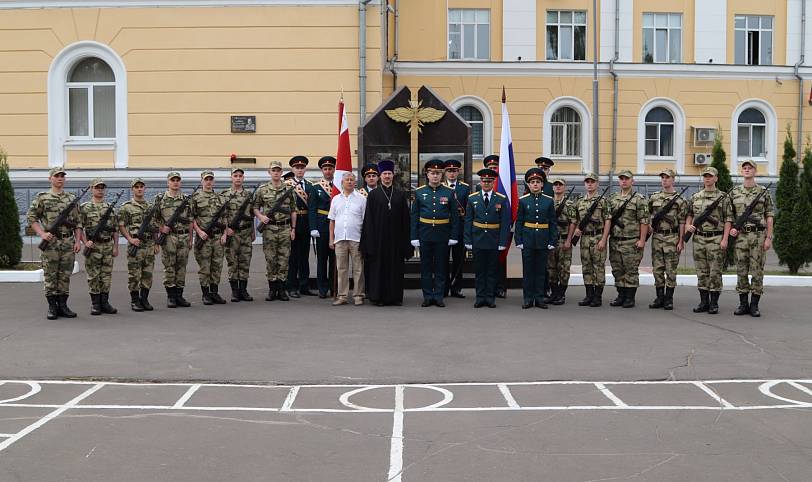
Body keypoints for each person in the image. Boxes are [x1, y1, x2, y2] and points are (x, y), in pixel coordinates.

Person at [27, 166, 82, 320]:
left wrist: (78, 241)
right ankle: (52, 307)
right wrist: (42, 234)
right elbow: (31, 217)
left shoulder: (71, 199)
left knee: (65, 275)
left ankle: (63, 306)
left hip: (68, 242)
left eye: (62, 176)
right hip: (51, 244)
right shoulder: (43, 198)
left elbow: (78, 222)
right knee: (50, 275)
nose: (60, 178)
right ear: (50, 178)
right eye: (57, 176)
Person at [360, 159, 412, 306]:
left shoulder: (400, 195)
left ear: (393, 175)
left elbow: (405, 219)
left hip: (396, 240)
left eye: (389, 173)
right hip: (379, 240)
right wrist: (369, 242)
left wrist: (406, 241)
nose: (387, 176)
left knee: (395, 269)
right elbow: (369, 220)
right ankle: (378, 297)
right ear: (380, 176)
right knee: (379, 269)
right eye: (384, 174)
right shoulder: (373, 195)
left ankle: (395, 297)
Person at [727, 159, 774, 317]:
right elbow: (729, 216)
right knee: (741, 270)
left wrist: (768, 237)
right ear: (742, 172)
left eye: (750, 168)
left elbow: (769, 216)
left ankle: (754, 305)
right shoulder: (734, 192)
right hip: (741, 237)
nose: (747, 170)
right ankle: (743, 304)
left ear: (755, 171)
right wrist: (732, 229)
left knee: (757, 271)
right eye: (745, 168)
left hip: (758, 236)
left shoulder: (763, 192)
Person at [411, 158, 460, 307]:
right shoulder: (419, 192)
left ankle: (438, 296)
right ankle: (427, 296)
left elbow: (455, 217)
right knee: (425, 268)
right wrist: (414, 236)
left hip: (442, 235)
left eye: (438, 173)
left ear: (442, 175)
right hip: (425, 235)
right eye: (432, 173)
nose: (435, 176)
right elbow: (414, 216)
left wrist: (453, 236)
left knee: (441, 267)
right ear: (427, 174)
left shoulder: (449, 192)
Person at [685, 166, 731, 315]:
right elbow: (689, 214)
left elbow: (728, 220)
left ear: (716, 178)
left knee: (715, 272)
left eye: (710, 176)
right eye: (705, 176)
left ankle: (714, 303)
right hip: (699, 239)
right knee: (701, 272)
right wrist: (688, 225)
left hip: (716, 238)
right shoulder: (696, 196)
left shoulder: (723, 197)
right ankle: (703, 302)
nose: (707, 178)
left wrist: (725, 239)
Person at [464, 168, 510, 308]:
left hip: (493, 240)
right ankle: (480, 297)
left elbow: (505, 222)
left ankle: (490, 297)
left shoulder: (501, 199)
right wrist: (468, 240)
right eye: (484, 181)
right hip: (477, 239)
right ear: (480, 182)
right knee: (479, 271)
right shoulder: (472, 198)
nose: (486, 183)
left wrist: (503, 241)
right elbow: (468, 220)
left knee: (491, 271)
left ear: (493, 182)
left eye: (489, 181)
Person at [254, 160, 297, 301]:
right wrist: (261, 217)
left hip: (285, 228)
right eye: (273, 170)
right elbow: (255, 207)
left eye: (278, 170)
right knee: (271, 259)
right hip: (269, 229)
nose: (276, 173)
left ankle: (282, 290)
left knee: (284, 259)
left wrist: (293, 228)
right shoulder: (262, 189)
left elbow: (293, 210)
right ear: (269, 172)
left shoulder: (288, 189)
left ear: (281, 172)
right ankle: (272, 289)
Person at [515, 168, 557, 309]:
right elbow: (519, 221)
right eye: (532, 182)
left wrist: (552, 240)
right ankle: (528, 298)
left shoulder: (548, 201)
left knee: (540, 271)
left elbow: (552, 222)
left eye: (538, 182)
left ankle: (539, 298)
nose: (535, 184)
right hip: (528, 240)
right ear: (528, 184)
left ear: (542, 184)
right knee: (528, 271)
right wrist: (519, 240)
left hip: (543, 240)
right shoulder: (523, 201)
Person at [606, 170, 649, 308]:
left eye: (627, 179)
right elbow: (608, 219)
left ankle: (630, 298)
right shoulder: (612, 198)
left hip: (631, 241)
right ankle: (621, 295)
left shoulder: (639, 199)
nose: (624, 181)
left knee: (631, 270)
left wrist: (642, 240)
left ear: (632, 181)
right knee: (617, 270)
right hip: (615, 240)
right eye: (621, 179)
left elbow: (644, 221)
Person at [647, 169, 687, 310]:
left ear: (673, 180)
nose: (664, 180)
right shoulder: (654, 197)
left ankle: (669, 299)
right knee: (657, 269)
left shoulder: (680, 200)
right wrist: (649, 225)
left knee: (671, 270)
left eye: (667, 177)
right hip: (657, 237)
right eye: (662, 177)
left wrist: (681, 241)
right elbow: (647, 215)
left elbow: (682, 222)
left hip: (672, 237)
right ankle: (659, 298)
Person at [118, 178, 159, 312]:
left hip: (149, 244)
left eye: (141, 186)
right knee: (134, 275)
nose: (139, 189)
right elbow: (121, 225)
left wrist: (156, 243)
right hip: (135, 245)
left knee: (148, 274)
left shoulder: (150, 207)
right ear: (132, 189)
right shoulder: (126, 206)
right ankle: (135, 301)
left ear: (144, 188)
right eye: (137, 187)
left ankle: (144, 299)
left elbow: (154, 226)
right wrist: (130, 239)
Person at [80, 178, 119, 315]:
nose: (100, 190)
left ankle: (105, 303)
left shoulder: (110, 208)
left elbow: (115, 229)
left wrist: (116, 247)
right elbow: (79, 227)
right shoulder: (85, 208)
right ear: (91, 189)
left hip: (108, 245)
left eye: (102, 188)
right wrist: (85, 242)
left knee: (106, 275)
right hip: (93, 247)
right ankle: (95, 304)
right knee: (93, 275)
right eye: (97, 187)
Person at [328, 172, 366, 306]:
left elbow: (365, 221)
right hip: (340, 239)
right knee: (342, 268)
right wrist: (331, 238)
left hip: (356, 238)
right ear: (342, 183)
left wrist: (364, 239)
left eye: (351, 180)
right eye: (347, 180)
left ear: (355, 183)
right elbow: (332, 220)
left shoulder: (361, 199)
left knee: (358, 269)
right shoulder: (335, 199)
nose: (349, 182)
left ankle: (358, 295)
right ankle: (342, 296)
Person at [573, 172, 611, 307]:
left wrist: (604, 239)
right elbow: (576, 220)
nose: (590, 184)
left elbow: (608, 221)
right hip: (584, 239)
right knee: (586, 267)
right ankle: (589, 295)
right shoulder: (580, 201)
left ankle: (597, 297)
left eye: (592, 182)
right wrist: (577, 229)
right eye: (587, 182)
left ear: (597, 184)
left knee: (598, 267)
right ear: (585, 184)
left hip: (598, 237)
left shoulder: (603, 201)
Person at [157, 171, 193, 308]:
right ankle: (171, 296)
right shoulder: (160, 199)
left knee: (181, 266)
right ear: (168, 182)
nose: (175, 182)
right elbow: (154, 218)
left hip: (183, 237)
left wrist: (190, 238)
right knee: (169, 266)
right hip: (169, 237)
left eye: (178, 180)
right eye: (173, 180)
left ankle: (179, 295)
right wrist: (162, 228)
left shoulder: (186, 200)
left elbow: (190, 220)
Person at [192, 170, 228, 305]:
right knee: (205, 267)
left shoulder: (220, 198)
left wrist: (224, 234)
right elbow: (191, 218)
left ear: (214, 181)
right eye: (206, 179)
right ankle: (205, 294)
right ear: (201, 181)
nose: (208, 182)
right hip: (204, 238)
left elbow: (225, 218)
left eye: (210, 179)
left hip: (218, 237)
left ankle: (214, 293)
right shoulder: (196, 198)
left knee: (217, 266)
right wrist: (199, 231)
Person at [222, 167, 256, 302]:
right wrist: (226, 230)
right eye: (235, 175)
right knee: (232, 262)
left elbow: (251, 215)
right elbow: (222, 215)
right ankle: (235, 291)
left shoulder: (249, 195)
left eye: (240, 176)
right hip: (232, 233)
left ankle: (243, 290)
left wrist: (253, 231)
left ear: (243, 178)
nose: (238, 178)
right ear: (231, 177)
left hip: (246, 232)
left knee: (245, 262)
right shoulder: (225, 195)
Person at [309, 156, 337, 298]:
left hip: (336, 226)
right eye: (325, 169)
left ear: (334, 170)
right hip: (321, 226)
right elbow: (312, 208)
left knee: (335, 260)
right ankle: (322, 288)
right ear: (322, 170)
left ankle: (334, 287)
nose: (328, 171)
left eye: (330, 168)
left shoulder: (339, 186)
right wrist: (313, 227)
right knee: (321, 259)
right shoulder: (316, 187)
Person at [546, 177, 576, 305]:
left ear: (564, 187)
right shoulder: (548, 202)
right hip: (551, 241)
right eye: (556, 184)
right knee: (551, 268)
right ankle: (554, 293)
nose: (558, 187)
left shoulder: (570, 204)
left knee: (564, 269)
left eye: (560, 185)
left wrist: (569, 240)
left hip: (564, 240)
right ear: (553, 187)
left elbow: (573, 223)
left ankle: (561, 294)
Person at [286, 155, 314, 297]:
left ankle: (304, 286)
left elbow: (313, 206)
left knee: (304, 256)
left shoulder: (310, 185)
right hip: (293, 223)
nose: (300, 170)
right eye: (297, 168)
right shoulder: (287, 185)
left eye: (302, 168)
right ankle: (292, 286)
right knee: (293, 257)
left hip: (306, 222)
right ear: (293, 169)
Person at [482, 154, 508, 298]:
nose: (493, 170)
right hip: (483, 233)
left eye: (495, 167)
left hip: (497, 231)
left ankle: (500, 287)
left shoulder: (504, 183)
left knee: (500, 260)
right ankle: (486, 289)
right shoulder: (482, 186)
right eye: (490, 167)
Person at [444, 158, 470, 298]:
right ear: (445, 172)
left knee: (458, 259)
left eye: (454, 171)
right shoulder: (441, 186)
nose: (452, 174)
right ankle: (443, 288)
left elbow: (467, 210)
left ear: (458, 172)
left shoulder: (464, 188)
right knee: (443, 259)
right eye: (449, 171)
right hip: (444, 227)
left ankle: (456, 287)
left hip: (459, 227)